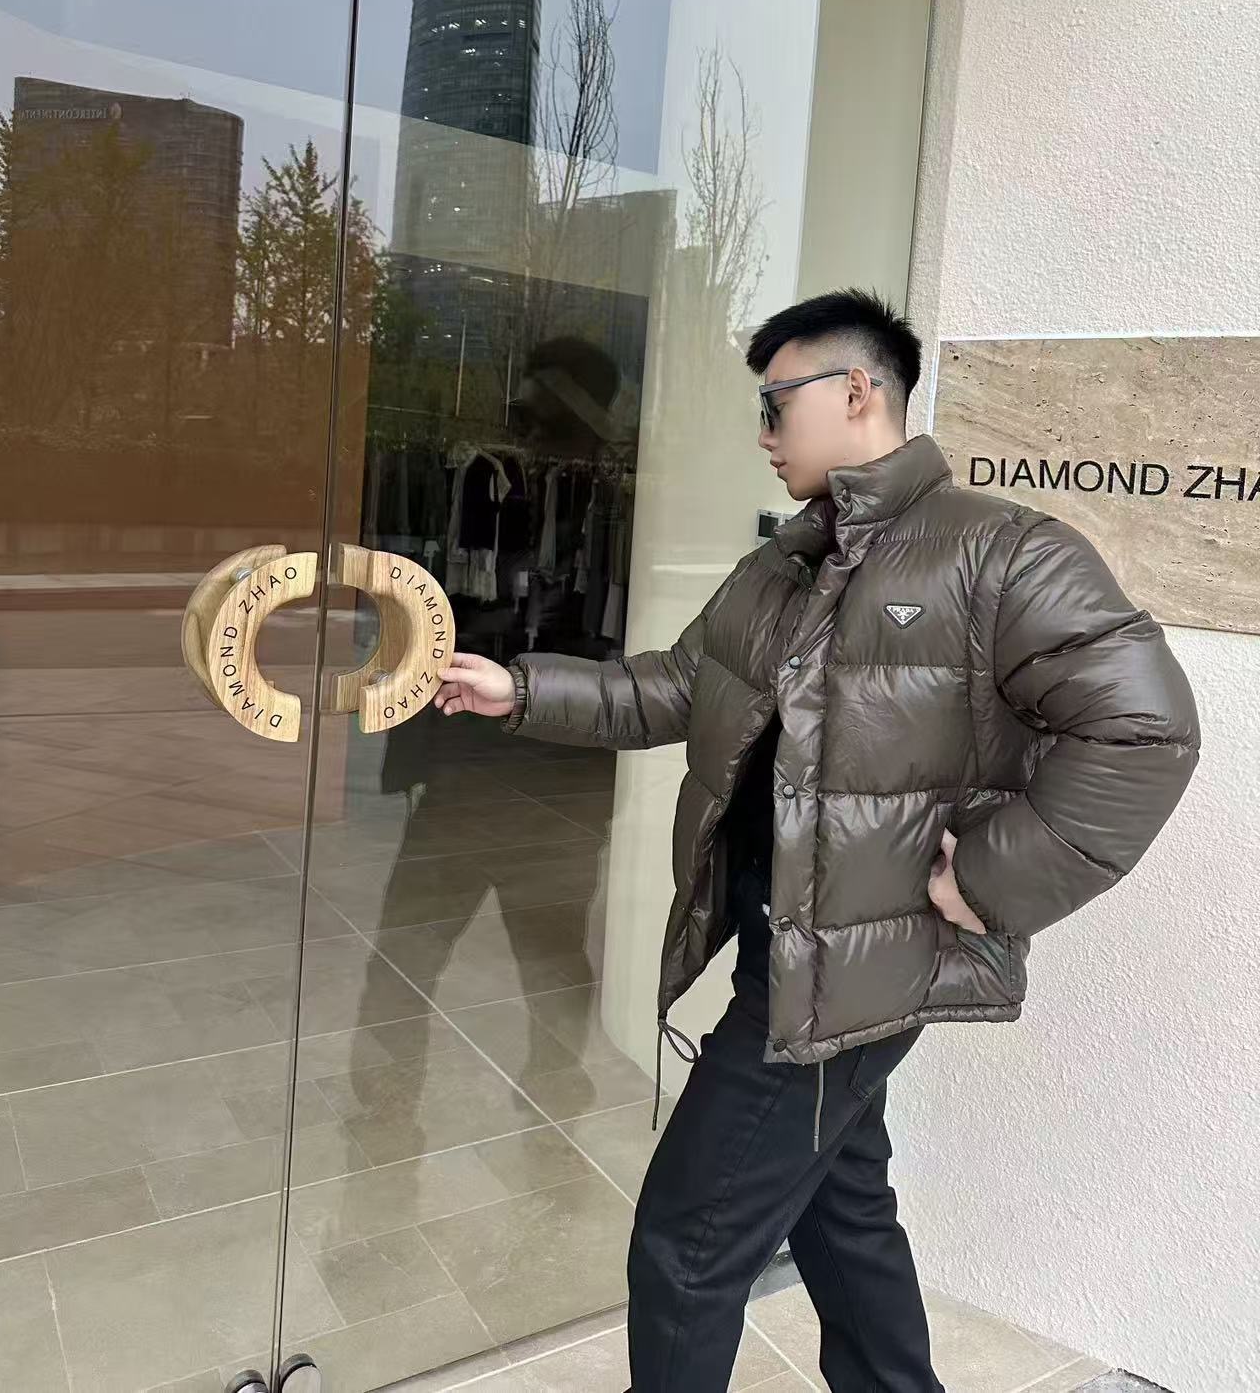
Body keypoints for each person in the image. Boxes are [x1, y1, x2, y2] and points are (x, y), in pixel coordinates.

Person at [432, 288, 1200, 1393]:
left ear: (856, 390)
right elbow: (668, 689)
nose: (761, 433)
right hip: (784, 948)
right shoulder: (785, 562)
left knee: (686, 1247)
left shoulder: (1001, 553)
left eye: (773, 404)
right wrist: (516, 688)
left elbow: (1144, 726)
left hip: (848, 971)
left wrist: (989, 880)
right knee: (842, 1215)